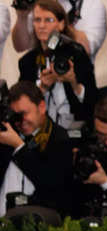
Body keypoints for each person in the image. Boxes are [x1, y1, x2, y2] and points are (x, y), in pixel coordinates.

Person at [18, 0, 98, 129]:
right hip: (40, 133)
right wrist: (42, 88)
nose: (41, 25)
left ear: (61, 24)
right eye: (37, 20)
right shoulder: (27, 62)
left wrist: (73, 83)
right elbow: (22, 108)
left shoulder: (76, 53)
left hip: (75, 130)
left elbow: (93, 101)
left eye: (48, 20)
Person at [0, 81, 72, 217]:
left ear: (42, 107)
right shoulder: (7, 135)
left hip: (40, 223)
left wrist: (19, 147)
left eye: (24, 113)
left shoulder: (58, 138)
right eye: (15, 115)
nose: (20, 121)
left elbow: (51, 183)